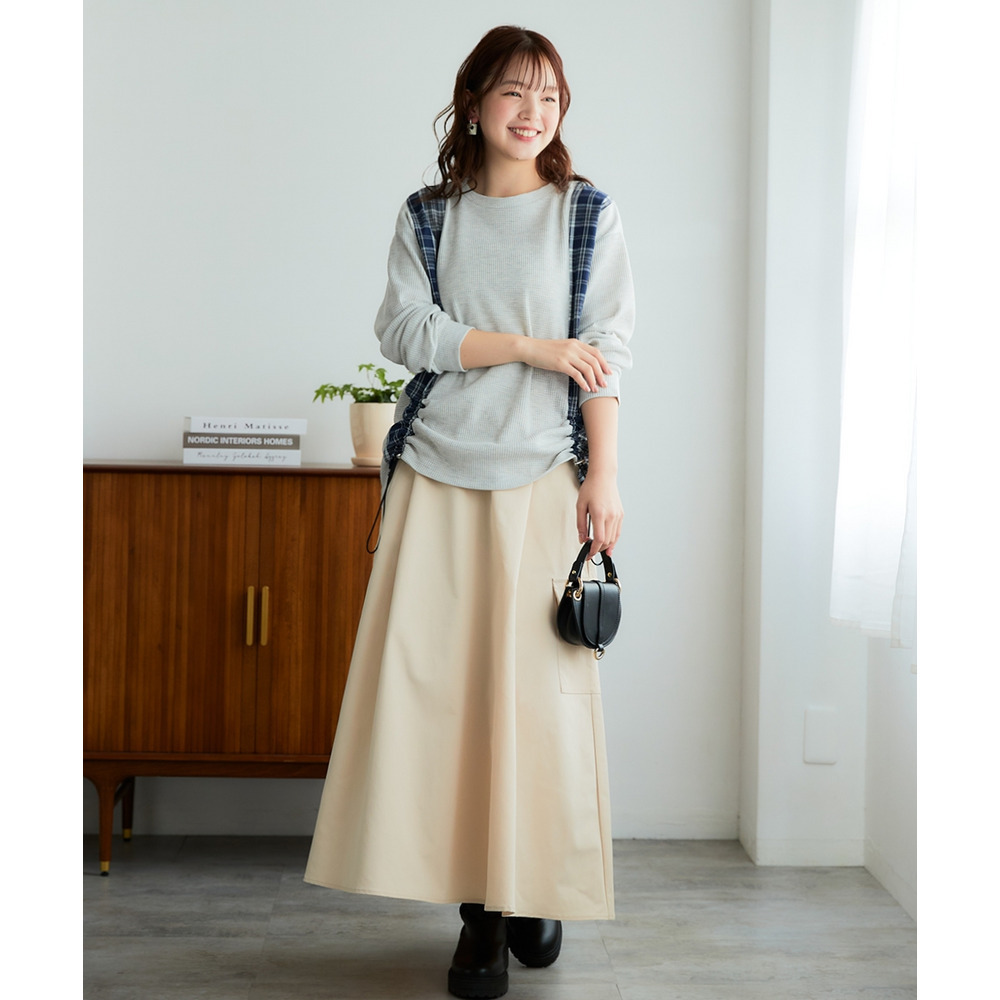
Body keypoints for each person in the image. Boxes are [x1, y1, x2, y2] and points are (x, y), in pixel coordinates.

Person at [304, 24, 634, 999]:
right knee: (443, 701)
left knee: (537, 702)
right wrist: (530, 348)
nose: (533, 113)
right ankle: (479, 915)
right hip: (438, 476)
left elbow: (606, 352)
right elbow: (406, 330)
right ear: (475, 103)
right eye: (513, 94)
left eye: (549, 96)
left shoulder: (586, 215)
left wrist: (604, 477)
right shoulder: (429, 217)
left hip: (543, 477)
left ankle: (530, 884)